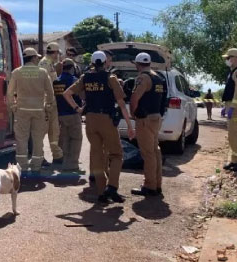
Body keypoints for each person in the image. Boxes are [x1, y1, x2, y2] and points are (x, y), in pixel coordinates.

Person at [63, 51, 133, 204]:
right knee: (116, 155)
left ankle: (101, 193)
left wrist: (78, 109)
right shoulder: (111, 78)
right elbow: (121, 103)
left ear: (93, 62)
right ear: (105, 62)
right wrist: (129, 125)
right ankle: (112, 187)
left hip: (90, 120)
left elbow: (67, 93)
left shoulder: (85, 77)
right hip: (106, 119)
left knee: (97, 156)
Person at [6, 48, 55, 176]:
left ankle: (22, 168)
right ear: (33, 58)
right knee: (38, 139)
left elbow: (10, 92)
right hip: (39, 110)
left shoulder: (16, 72)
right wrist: (48, 106)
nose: (38, 59)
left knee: (21, 139)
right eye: (37, 57)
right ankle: (36, 167)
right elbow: (50, 92)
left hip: (22, 111)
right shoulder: (43, 72)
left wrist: (13, 106)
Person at [128, 53, 166, 196]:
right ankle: (157, 184)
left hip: (145, 119)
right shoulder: (158, 78)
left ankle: (149, 186)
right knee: (155, 151)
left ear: (137, 64)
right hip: (156, 117)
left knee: (148, 153)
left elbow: (134, 98)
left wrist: (133, 114)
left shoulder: (143, 78)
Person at [54, 59, 83, 173]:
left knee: (65, 139)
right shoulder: (74, 80)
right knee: (76, 138)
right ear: (72, 68)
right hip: (72, 113)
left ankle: (65, 161)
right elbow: (81, 95)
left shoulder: (56, 81)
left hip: (60, 114)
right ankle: (72, 164)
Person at [39, 42, 65, 166]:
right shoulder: (44, 64)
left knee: (54, 130)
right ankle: (39, 157)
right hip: (46, 101)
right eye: (57, 53)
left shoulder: (50, 64)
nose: (58, 56)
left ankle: (57, 155)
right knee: (42, 130)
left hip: (51, 101)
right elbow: (44, 84)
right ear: (54, 53)